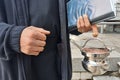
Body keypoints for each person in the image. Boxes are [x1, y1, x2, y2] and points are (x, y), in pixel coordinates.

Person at [0, 0, 98, 80]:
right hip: (14, 71)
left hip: (57, 70)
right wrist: (14, 37)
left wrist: (80, 21)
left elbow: (66, 13)